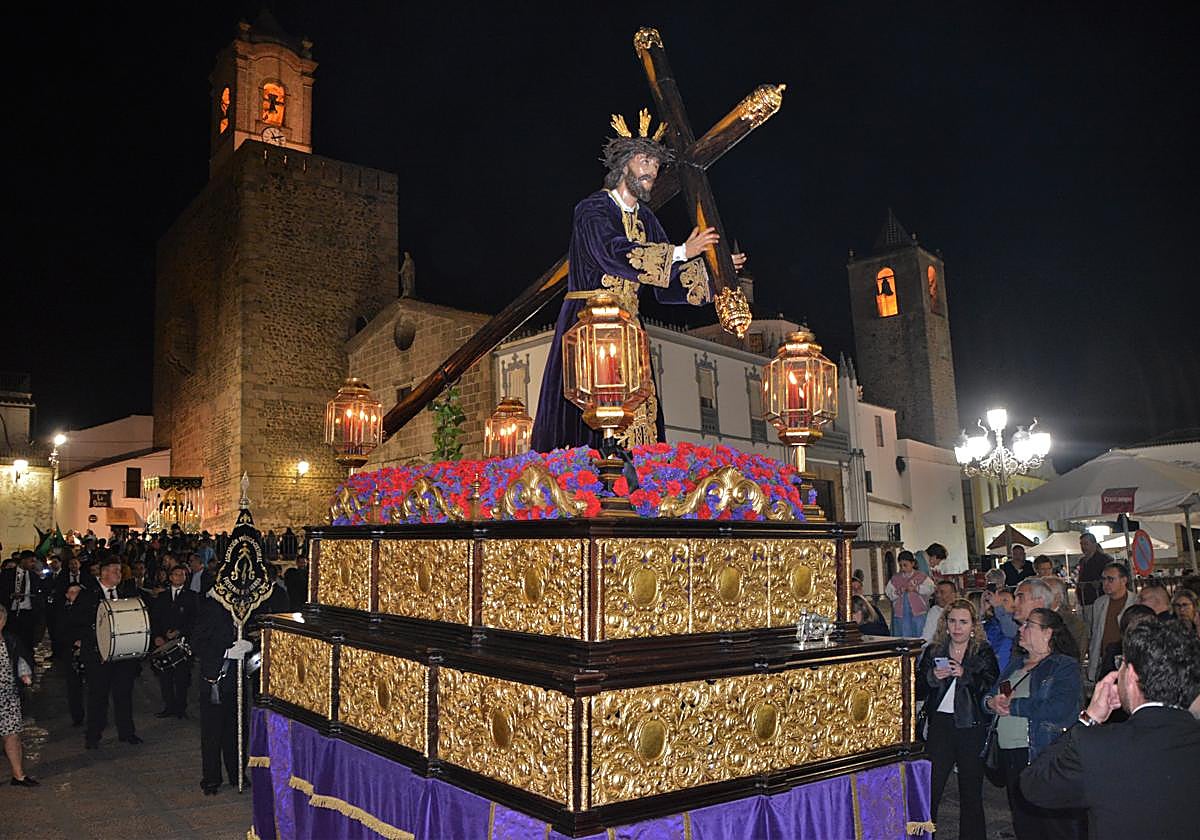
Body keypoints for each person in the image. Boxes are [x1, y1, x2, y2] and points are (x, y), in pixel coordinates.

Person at [530, 110, 745, 452]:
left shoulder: (645, 218)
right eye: (645, 161)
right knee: (587, 410)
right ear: (624, 164)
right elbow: (613, 252)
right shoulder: (592, 209)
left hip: (629, 328)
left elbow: (668, 281)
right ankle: (583, 482)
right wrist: (681, 250)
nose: (651, 172)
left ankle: (638, 486)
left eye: (656, 166)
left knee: (637, 412)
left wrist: (716, 274)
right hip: (588, 323)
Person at [1020, 620, 1200, 840]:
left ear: (1132, 676)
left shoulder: (1097, 747)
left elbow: (1034, 785)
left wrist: (1089, 718)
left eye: (1121, 664)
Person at [983, 608, 1083, 840]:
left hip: (1039, 753)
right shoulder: (1016, 664)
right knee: (1024, 823)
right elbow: (990, 693)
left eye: (1028, 624)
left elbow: (1060, 709)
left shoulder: (1063, 666)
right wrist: (991, 702)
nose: (1021, 628)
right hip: (1009, 755)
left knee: (1050, 825)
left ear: (1047, 633)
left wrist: (1013, 706)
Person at [916, 599, 998, 840]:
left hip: (971, 725)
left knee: (971, 792)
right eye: (952, 621)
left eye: (963, 622)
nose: (957, 627)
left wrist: (965, 675)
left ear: (973, 625)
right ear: (945, 624)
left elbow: (989, 686)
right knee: (931, 789)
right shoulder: (934, 651)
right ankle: (922, 836)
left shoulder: (982, 650)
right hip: (941, 725)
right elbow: (917, 689)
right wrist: (932, 677)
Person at [71, 556, 143, 748]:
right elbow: (77, 622)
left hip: (123, 653)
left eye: (120, 571)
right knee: (98, 696)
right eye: (114, 571)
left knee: (124, 694)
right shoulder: (87, 594)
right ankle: (93, 735)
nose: (119, 574)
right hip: (98, 655)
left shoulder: (127, 592)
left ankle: (127, 732)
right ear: (103, 573)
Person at [193, 589, 251, 795]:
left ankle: (237, 773)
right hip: (215, 678)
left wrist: (249, 646)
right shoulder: (211, 608)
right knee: (212, 733)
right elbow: (197, 643)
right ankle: (211, 779)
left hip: (237, 680)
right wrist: (225, 652)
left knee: (237, 729)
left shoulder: (245, 609)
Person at [151, 565, 198, 719]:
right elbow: (155, 619)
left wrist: (180, 631)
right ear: (170, 577)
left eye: (182, 575)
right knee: (165, 677)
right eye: (176, 574)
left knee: (182, 677)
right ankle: (169, 706)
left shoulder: (192, 596)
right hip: (164, 641)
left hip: (182, 642)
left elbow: (194, 620)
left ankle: (181, 708)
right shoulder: (162, 597)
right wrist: (157, 636)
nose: (179, 577)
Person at [0, 605, 37, 786]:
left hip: (8, 696)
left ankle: (18, 775)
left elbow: (22, 658)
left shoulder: (10, 640)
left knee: (12, 735)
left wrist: (25, 674)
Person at [1086, 562, 1136, 683]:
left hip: (1128, 662)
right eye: (1103, 579)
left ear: (1123, 580)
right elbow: (1096, 635)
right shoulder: (1099, 603)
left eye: (1110, 579)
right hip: (1104, 661)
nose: (1105, 583)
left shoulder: (1136, 602)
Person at [0, 550, 47, 655]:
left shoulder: (34, 576)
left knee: (27, 640)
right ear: (23, 560)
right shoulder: (7, 574)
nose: (33, 564)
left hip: (27, 612)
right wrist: (10, 595)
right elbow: (2, 590)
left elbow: (41, 590)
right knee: (11, 638)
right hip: (11, 611)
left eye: (34, 562)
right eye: (31, 561)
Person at [885, 550, 935, 638]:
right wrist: (899, 591)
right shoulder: (895, 578)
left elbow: (931, 589)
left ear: (912, 563)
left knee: (919, 633)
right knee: (902, 635)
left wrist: (916, 589)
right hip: (901, 614)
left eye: (905, 565)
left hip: (919, 613)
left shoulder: (921, 576)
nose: (903, 568)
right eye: (900, 566)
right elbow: (889, 593)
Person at [1041, 576, 1088, 660]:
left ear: (1057, 597)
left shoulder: (1074, 624)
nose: (1038, 597)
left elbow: (1075, 659)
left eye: (1044, 593)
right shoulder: (1033, 617)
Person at [1075, 533, 1113, 622]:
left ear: (1094, 544)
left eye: (1086, 544)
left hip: (1098, 599)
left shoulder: (1104, 559)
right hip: (1084, 601)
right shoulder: (1082, 561)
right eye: (1081, 544)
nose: (1083, 547)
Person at [983, 587, 1017, 672]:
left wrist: (998, 607)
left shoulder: (1016, 622)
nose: (1000, 603)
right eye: (998, 600)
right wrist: (983, 611)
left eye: (1005, 600)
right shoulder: (989, 623)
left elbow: (1010, 631)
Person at [921, 579, 959, 644]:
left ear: (953, 595)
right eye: (936, 592)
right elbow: (926, 636)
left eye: (942, 592)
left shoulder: (962, 611)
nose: (938, 595)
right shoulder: (934, 611)